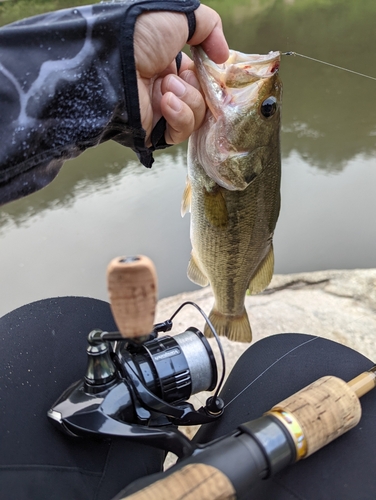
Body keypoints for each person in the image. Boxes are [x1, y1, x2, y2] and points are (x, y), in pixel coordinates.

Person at [0, 2, 375, 499]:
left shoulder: (224, 163)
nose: (265, 99)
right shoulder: (226, 167)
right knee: (307, 364)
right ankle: (227, 315)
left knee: (60, 327)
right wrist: (112, 65)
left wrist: (114, 68)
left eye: (265, 108)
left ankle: (228, 308)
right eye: (269, 107)